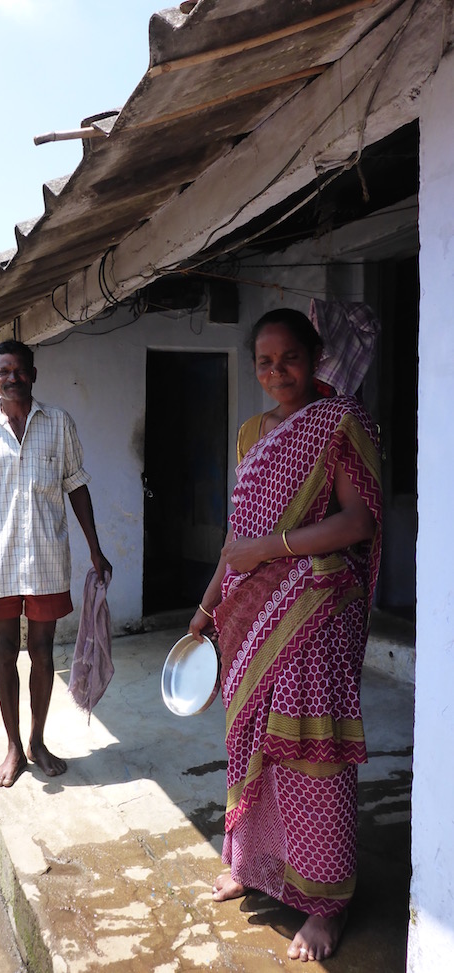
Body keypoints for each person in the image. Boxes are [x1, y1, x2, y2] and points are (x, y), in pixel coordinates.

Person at [188, 308, 382, 963]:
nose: (278, 373)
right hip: (250, 618)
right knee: (251, 748)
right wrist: (204, 606)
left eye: (290, 358)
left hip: (316, 616)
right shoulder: (251, 433)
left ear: (314, 355)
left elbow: (358, 521)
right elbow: (235, 539)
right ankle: (252, 862)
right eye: (265, 362)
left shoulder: (340, 422)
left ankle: (327, 904)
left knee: (311, 756)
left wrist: (274, 548)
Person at [0, 339, 112, 788]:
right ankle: (11, 747)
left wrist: (95, 548)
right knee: (5, 651)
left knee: (43, 653)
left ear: (33, 374)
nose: (12, 378)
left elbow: (77, 487)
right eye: (3, 372)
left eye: (19, 370)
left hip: (47, 556)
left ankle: (37, 742)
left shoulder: (58, 422)